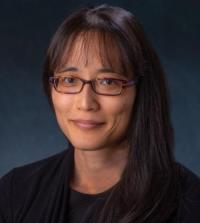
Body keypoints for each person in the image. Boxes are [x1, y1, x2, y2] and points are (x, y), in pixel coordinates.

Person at [0, 4, 199, 223]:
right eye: (69, 80)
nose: (85, 103)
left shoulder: (187, 204)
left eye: (107, 82)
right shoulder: (14, 193)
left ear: (141, 91)